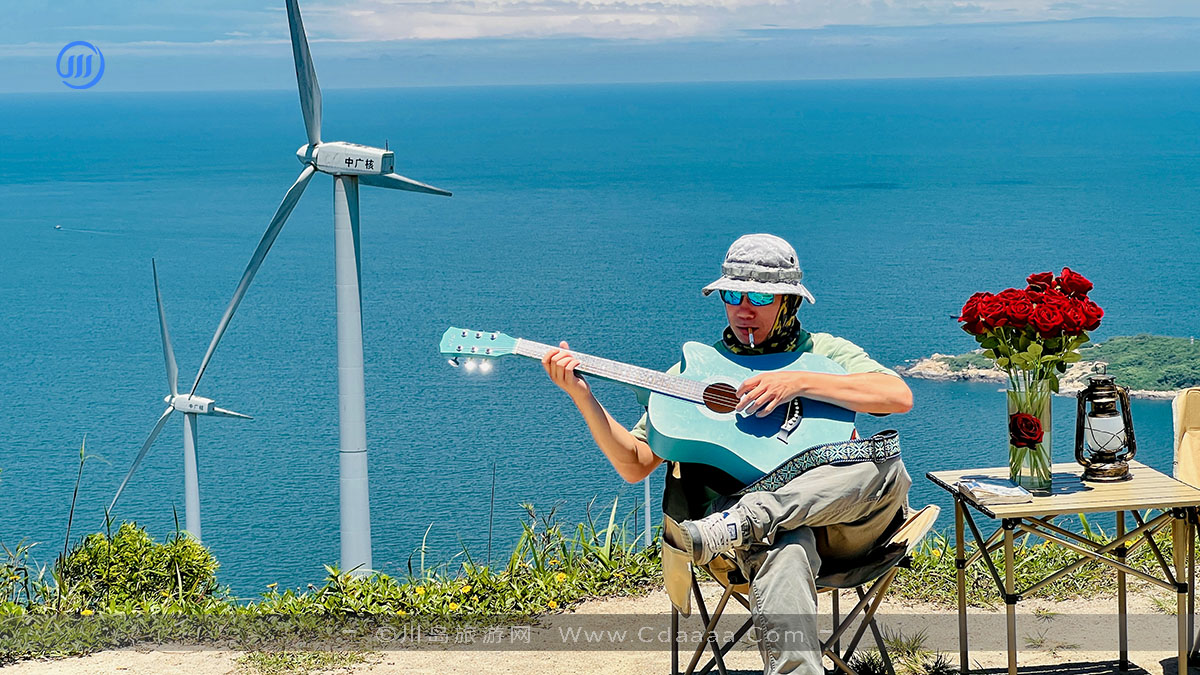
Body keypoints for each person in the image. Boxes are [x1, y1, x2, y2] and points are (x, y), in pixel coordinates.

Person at [541, 233, 913, 675]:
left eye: (759, 295)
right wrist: (583, 397)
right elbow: (634, 463)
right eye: (732, 295)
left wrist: (799, 383)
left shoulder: (824, 352)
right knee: (785, 546)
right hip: (758, 542)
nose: (743, 309)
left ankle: (744, 518)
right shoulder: (695, 372)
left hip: (847, 527)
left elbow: (897, 395)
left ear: (789, 303)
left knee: (884, 467)